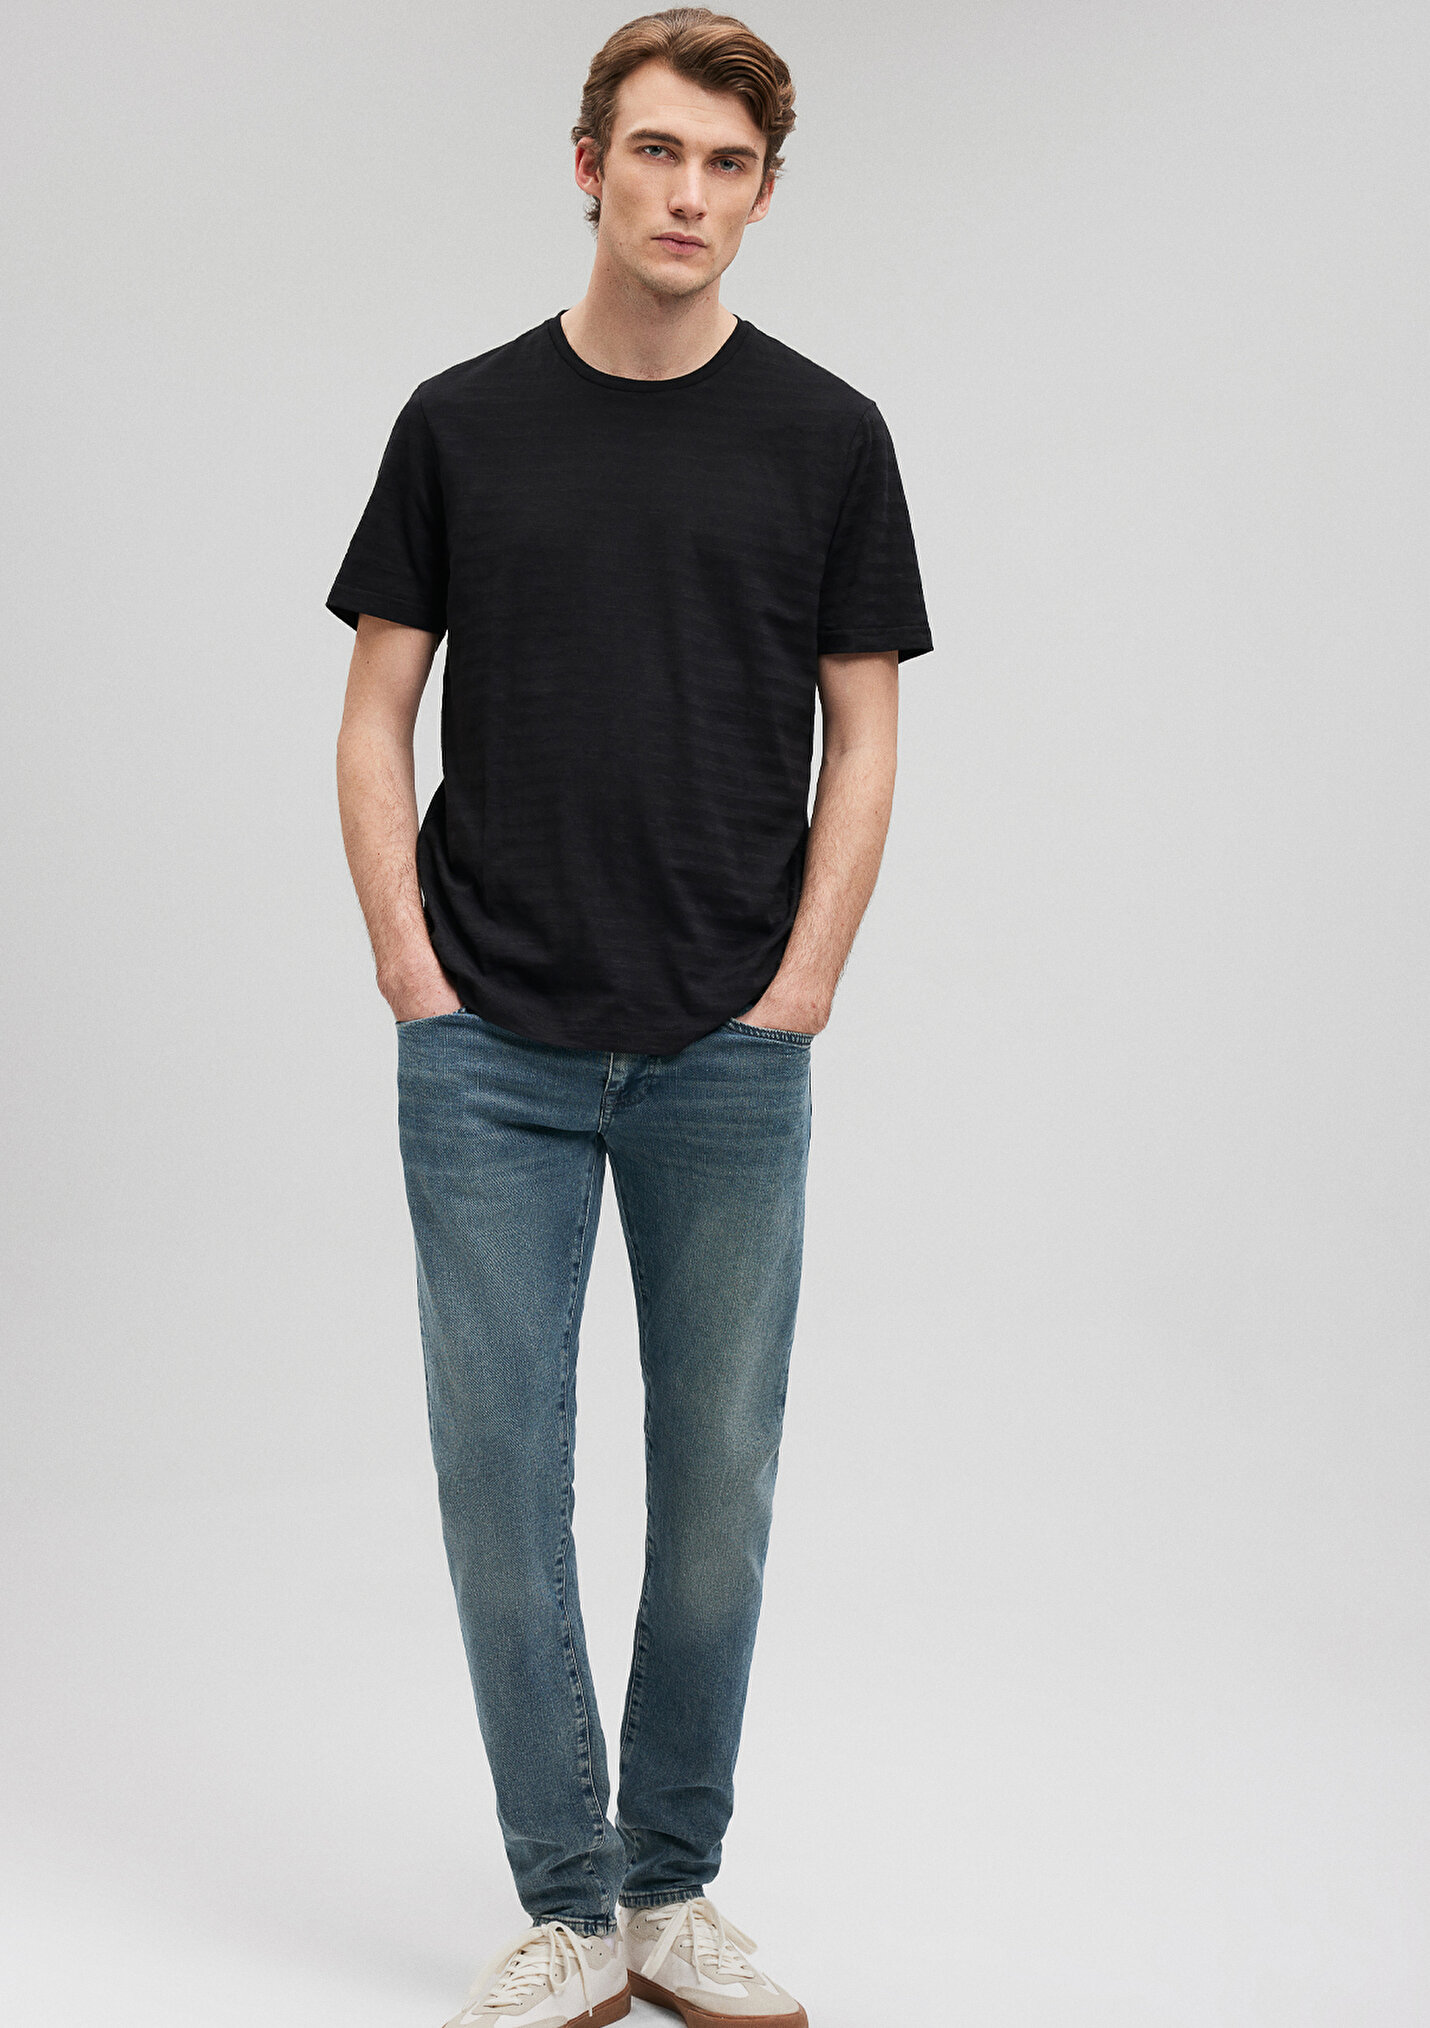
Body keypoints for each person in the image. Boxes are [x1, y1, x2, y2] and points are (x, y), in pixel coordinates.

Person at [330, 10, 931, 2024]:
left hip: (725, 1052)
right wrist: (411, 970)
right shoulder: (460, 422)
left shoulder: (825, 436)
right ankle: (566, 1902)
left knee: (717, 1489)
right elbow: (374, 711)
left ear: (763, 193)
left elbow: (864, 732)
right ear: (586, 164)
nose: (687, 195)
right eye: (655, 153)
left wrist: (803, 983)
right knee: (502, 1483)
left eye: (726, 165)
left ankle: (669, 1891)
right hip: (487, 1047)